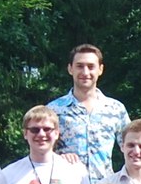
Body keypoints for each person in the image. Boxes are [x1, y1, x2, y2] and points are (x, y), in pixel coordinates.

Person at [0, 105, 89, 184]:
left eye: (47, 129)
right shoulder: (7, 175)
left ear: (57, 133)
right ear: (25, 134)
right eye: (35, 130)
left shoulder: (77, 171)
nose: (41, 134)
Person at [47, 43, 131, 173]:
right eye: (79, 66)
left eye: (91, 67)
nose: (85, 72)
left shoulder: (115, 109)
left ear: (100, 69)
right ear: (70, 69)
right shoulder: (53, 110)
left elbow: (132, 147)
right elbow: (42, 152)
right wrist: (58, 159)